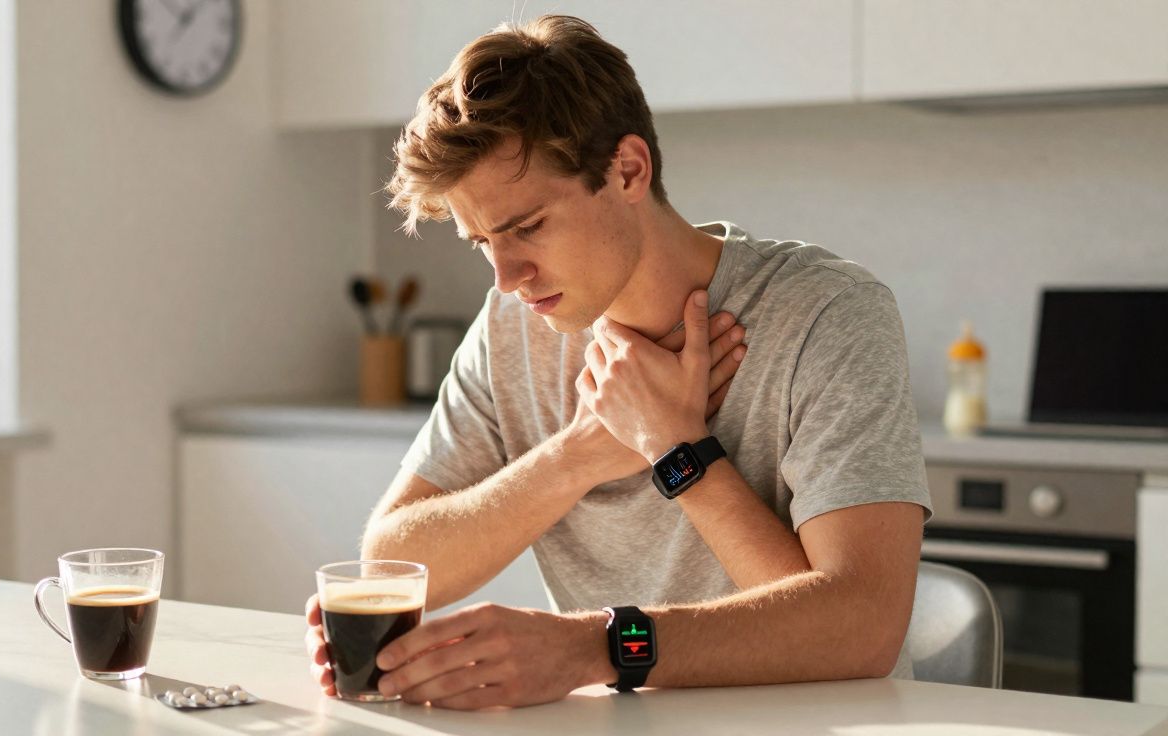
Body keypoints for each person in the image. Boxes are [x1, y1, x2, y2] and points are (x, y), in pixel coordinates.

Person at [305, 14, 932, 710]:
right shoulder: (515, 324)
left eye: (526, 227)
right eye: (480, 241)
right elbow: (393, 561)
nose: (505, 277)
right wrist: (582, 454)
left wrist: (676, 452)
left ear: (629, 170)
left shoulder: (826, 315)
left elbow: (860, 630)